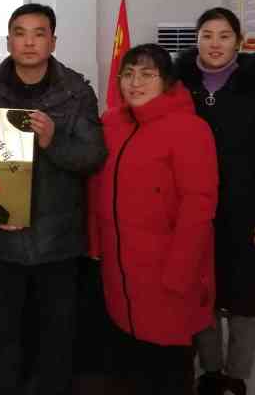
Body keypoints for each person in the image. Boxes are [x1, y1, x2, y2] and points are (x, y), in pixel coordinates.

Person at [0, 3, 107, 395]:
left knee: (58, 332)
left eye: (39, 33)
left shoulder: (76, 92)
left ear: (53, 41)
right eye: (20, 33)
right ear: (8, 41)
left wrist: (53, 141)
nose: (29, 42)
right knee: (3, 331)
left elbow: (93, 157)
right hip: (1, 235)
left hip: (57, 237)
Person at [89, 44, 218, 395]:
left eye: (147, 75)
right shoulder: (112, 124)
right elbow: (97, 188)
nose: (135, 83)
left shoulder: (190, 129)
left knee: (167, 365)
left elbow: (199, 207)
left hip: (167, 272)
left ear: (167, 82)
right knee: (128, 360)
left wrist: (180, 272)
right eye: (128, 74)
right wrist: (96, 245)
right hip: (119, 268)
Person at [176, 7, 255, 395]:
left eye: (224, 36)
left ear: (238, 42)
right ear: (196, 40)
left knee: (244, 296)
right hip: (195, 210)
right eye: (207, 35)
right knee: (202, 291)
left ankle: (237, 373)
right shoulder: (180, 86)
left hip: (245, 212)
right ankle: (210, 369)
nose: (215, 44)